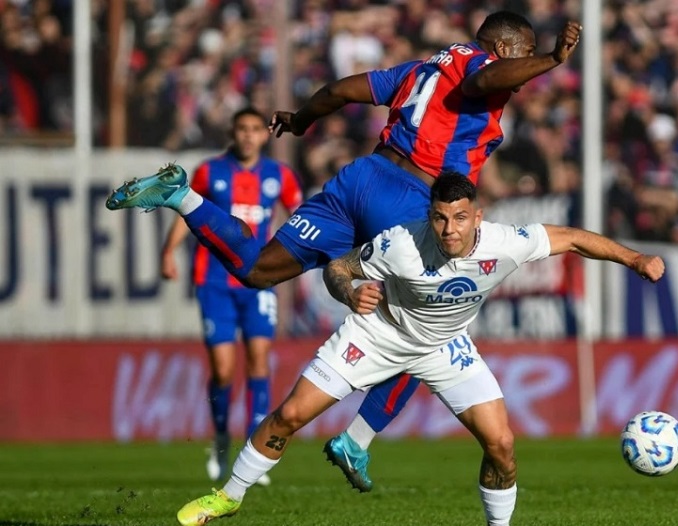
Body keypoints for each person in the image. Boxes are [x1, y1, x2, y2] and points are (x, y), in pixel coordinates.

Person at [105, 11, 583, 493]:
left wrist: (299, 120)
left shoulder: (419, 70)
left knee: (256, 269)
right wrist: (553, 58)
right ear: (505, 48)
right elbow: (488, 76)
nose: (525, 75)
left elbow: (339, 91)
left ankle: (181, 197)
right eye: (523, 56)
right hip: (411, 197)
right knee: (426, 329)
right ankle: (356, 439)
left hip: (360, 179)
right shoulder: (484, 68)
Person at [173, 172, 666, 526]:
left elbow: (575, 238)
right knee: (291, 416)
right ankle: (230, 496)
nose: (448, 230)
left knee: (502, 444)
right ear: (429, 216)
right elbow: (337, 268)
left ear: (477, 216)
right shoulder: (401, 243)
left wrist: (635, 259)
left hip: (444, 347)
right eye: (439, 218)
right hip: (377, 335)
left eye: (458, 218)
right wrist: (350, 291)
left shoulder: (506, 243)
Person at [160, 107, 303, 485]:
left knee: (258, 361)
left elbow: (300, 215)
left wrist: (295, 258)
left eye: (256, 129)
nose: (248, 135)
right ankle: (221, 438)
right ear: (232, 132)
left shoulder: (279, 175)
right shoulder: (210, 171)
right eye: (242, 129)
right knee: (223, 370)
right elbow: (186, 211)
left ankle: (252, 451)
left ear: (263, 134)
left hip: (259, 282)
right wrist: (168, 251)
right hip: (214, 281)